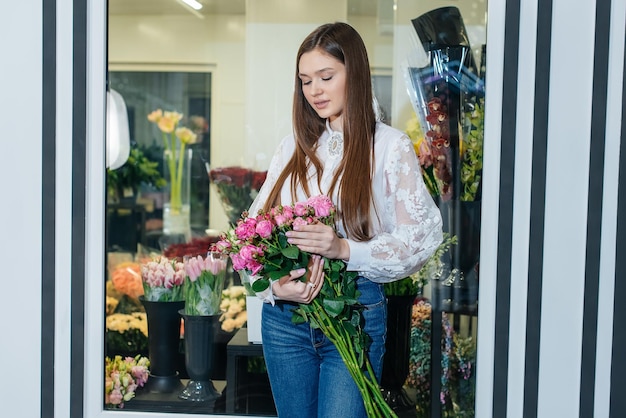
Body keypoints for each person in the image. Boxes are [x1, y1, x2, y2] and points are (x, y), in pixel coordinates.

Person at [246, 22, 443, 418]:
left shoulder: (387, 147)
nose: (314, 90)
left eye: (326, 77)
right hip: (285, 322)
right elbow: (251, 240)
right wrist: (275, 288)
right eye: (305, 81)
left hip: (354, 311)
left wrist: (344, 249)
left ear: (355, 72)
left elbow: (420, 238)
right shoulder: (292, 149)